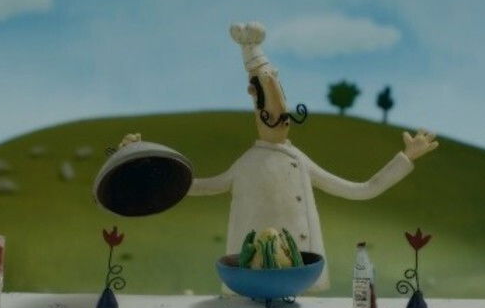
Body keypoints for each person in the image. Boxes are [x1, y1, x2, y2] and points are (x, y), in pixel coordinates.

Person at [184, 22, 438, 290]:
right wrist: (163, 176)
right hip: (252, 275)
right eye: (272, 117)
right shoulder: (247, 164)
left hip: (299, 270)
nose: (282, 122)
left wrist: (406, 157)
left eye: (285, 117)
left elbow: (362, 190)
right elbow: (203, 186)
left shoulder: (298, 161)